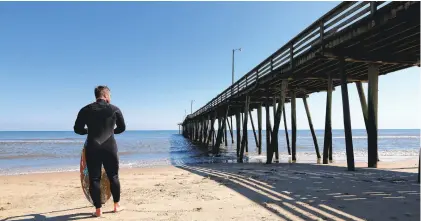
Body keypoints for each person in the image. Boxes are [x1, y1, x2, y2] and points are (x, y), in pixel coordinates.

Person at [73, 85, 126, 217]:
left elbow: (77, 129)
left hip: (93, 146)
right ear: (106, 95)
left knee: (94, 178)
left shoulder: (85, 110)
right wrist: (111, 131)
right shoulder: (115, 109)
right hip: (110, 147)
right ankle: (116, 206)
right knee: (113, 176)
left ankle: (98, 210)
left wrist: (89, 131)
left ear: (96, 95)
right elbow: (122, 128)